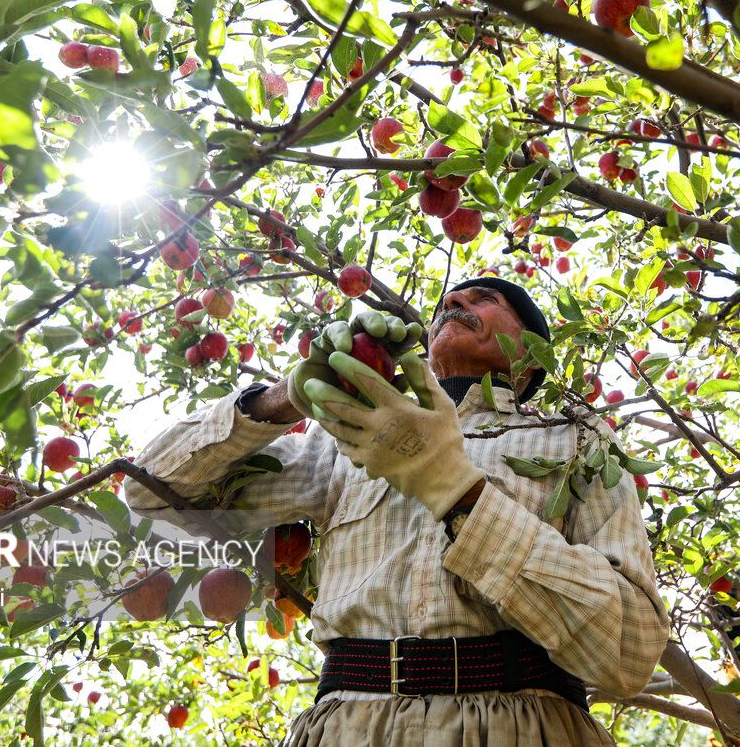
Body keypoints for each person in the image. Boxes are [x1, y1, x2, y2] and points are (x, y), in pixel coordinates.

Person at [125, 277, 669, 746]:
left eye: (485, 299)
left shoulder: (575, 440)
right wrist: (288, 396)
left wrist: (457, 491)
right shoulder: (343, 441)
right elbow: (151, 491)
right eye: (448, 302)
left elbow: (630, 650)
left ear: (530, 353)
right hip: (347, 726)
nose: (455, 300)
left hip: (524, 726)